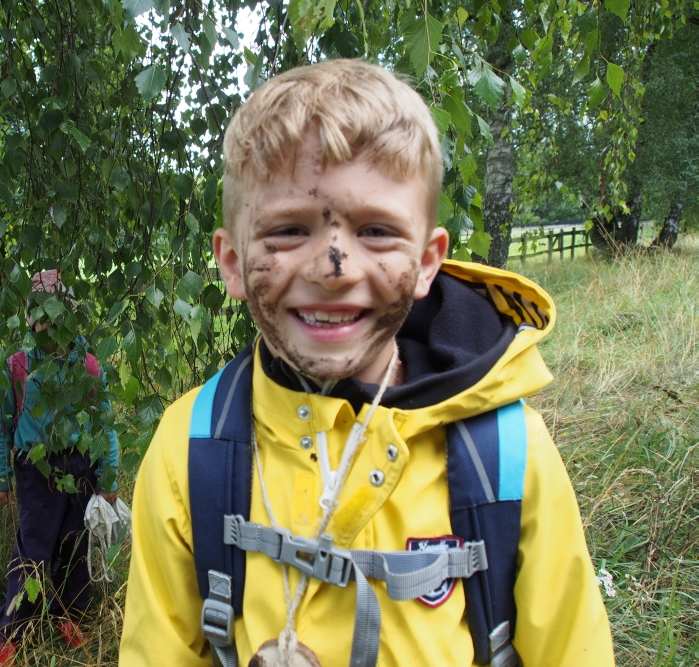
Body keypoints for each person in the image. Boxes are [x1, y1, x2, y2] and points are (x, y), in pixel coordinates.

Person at [119, 60, 614, 666]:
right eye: (287, 230)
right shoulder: (190, 451)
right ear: (231, 262)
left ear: (429, 260)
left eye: (377, 230)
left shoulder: (508, 456)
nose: (336, 267)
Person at [0, 269, 119, 667]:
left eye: (56, 312)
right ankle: (13, 632)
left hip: (80, 466)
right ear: (29, 317)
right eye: (39, 313)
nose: (47, 321)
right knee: (33, 549)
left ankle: (69, 615)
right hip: (35, 470)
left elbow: (104, 421)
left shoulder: (88, 364)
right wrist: (1, 475)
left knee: (76, 544)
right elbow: (2, 423)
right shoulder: (18, 366)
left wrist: (108, 475)